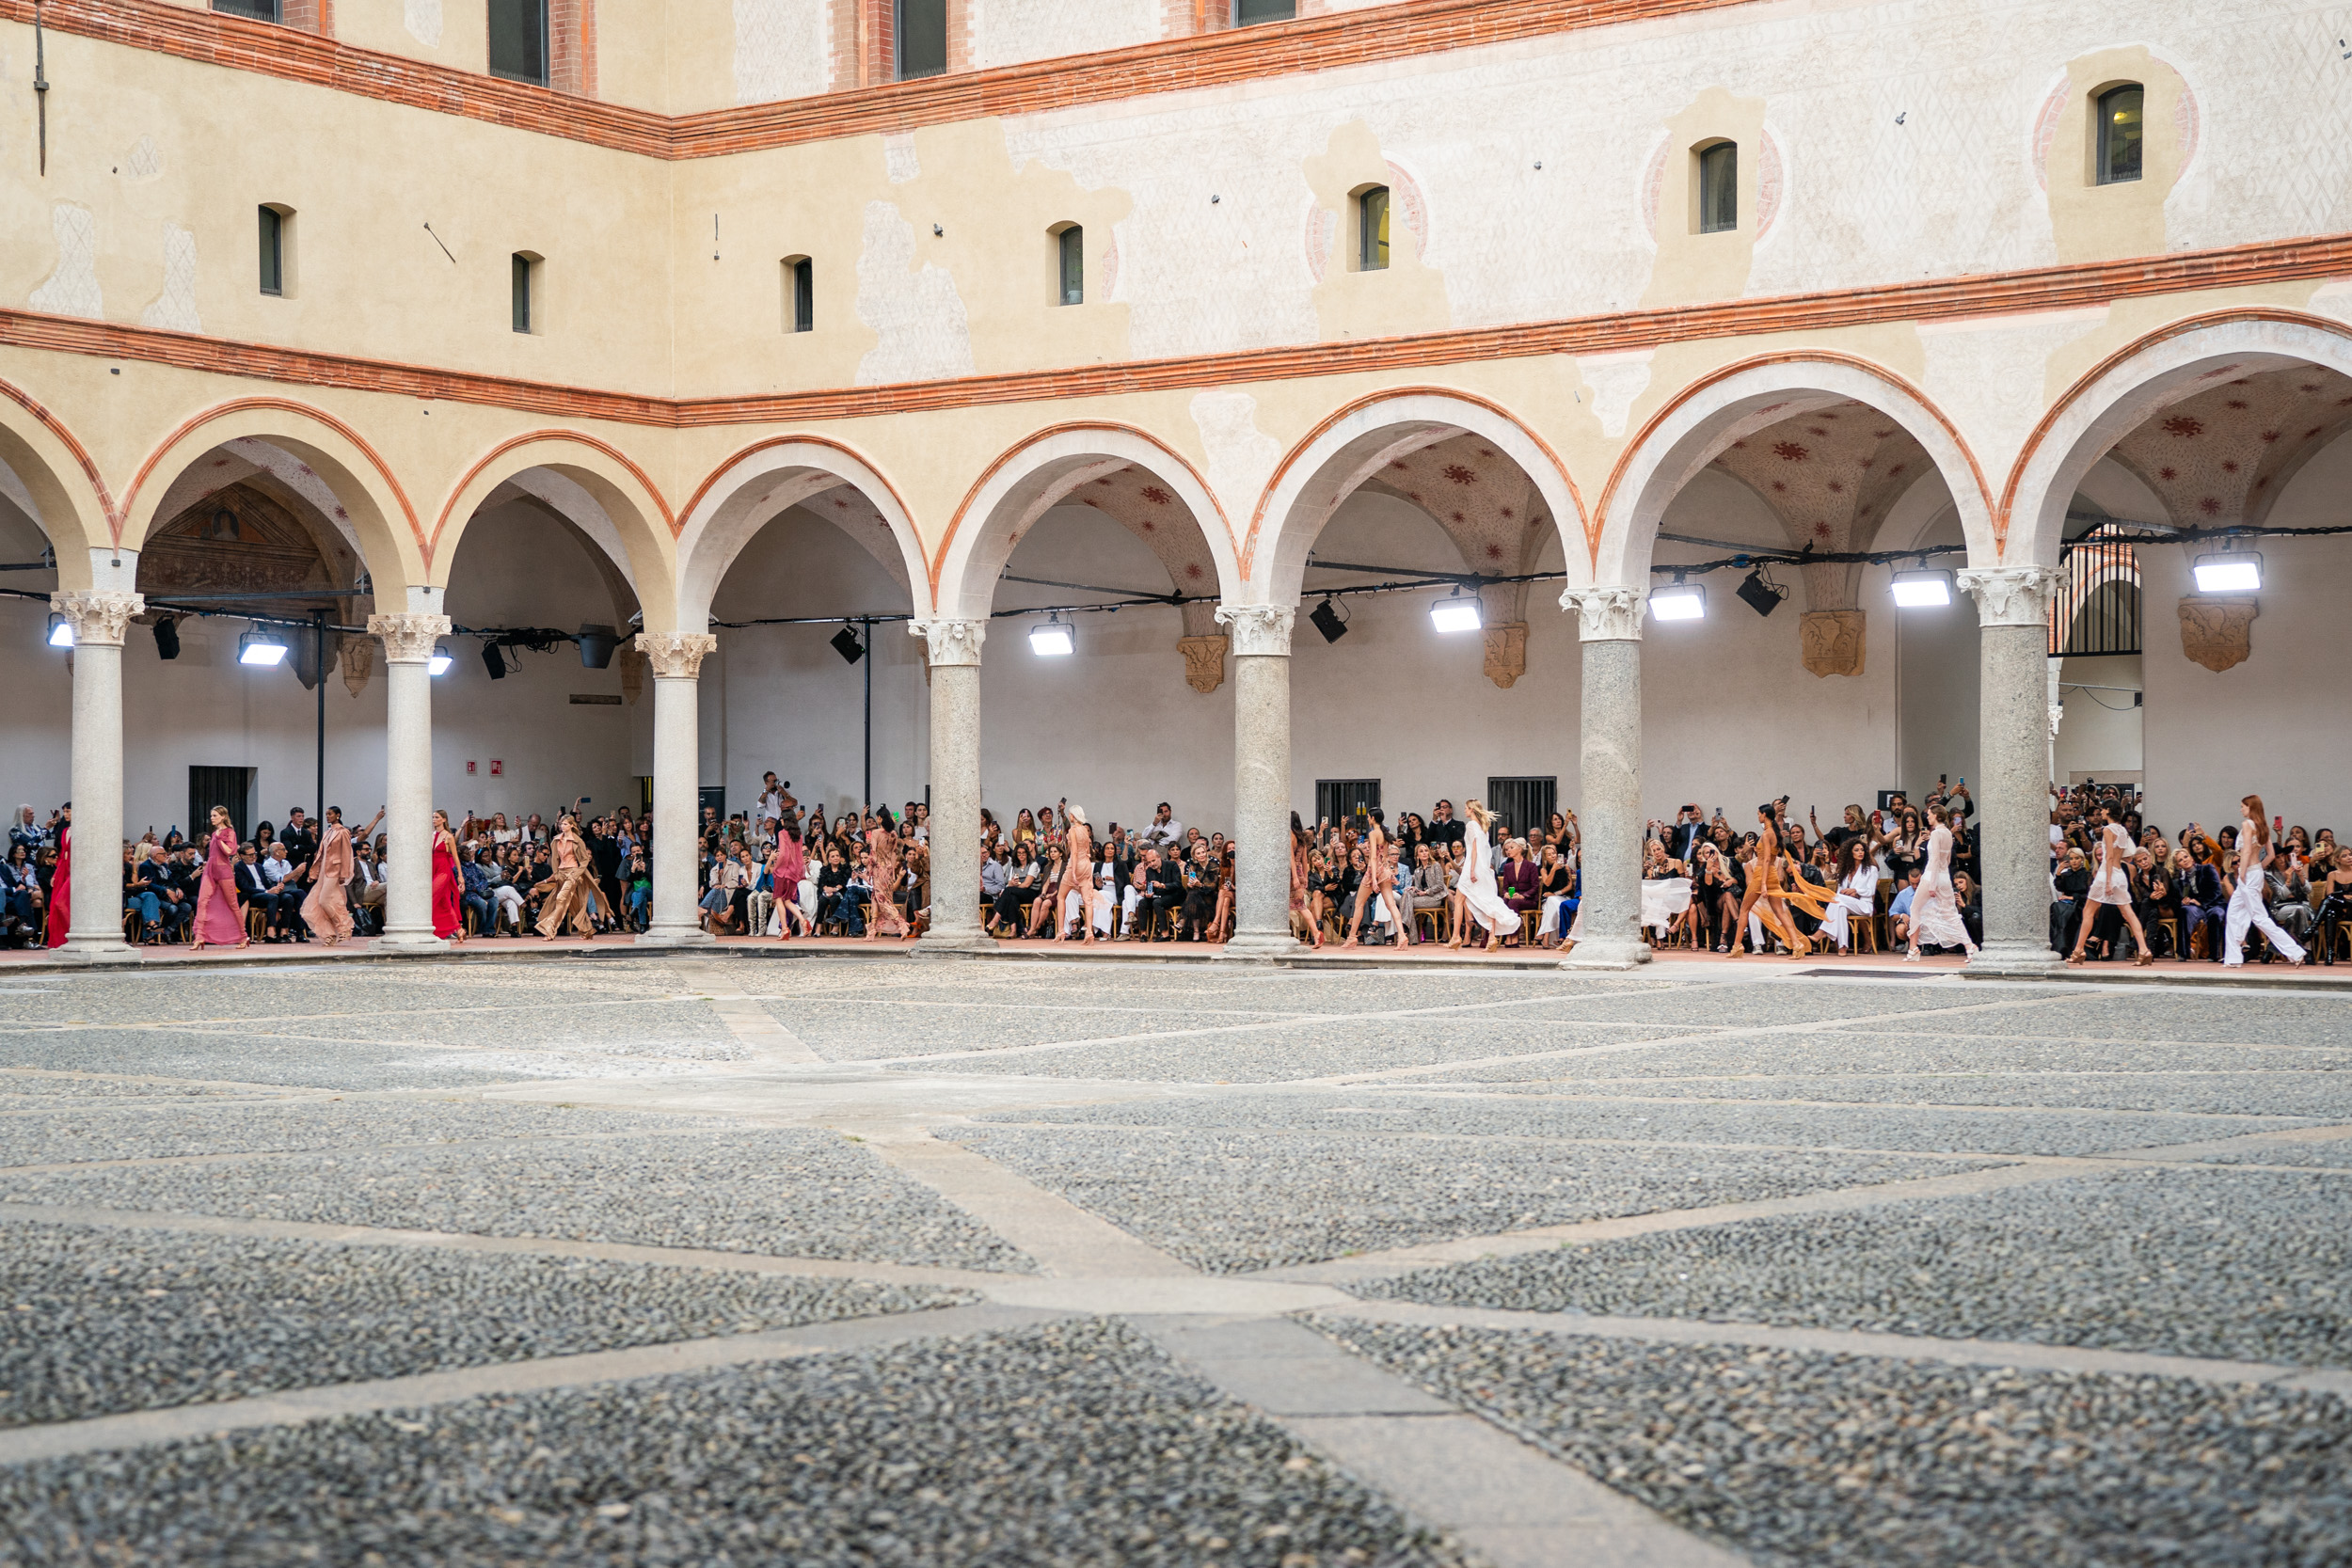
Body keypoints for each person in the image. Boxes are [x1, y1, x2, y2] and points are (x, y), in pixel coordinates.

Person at [2224, 794, 2305, 967]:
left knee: (2259, 918)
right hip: (2255, 872)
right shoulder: (2263, 827)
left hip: (2249, 873)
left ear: (2250, 807)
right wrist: (2257, 868)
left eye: (2243, 806)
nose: (2241, 809)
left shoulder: (2247, 824)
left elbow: (2245, 851)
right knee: (2233, 913)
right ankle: (2233, 958)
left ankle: (2295, 951)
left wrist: (2244, 871)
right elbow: (2271, 855)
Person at [2068, 805, 2154, 967]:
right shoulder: (2122, 830)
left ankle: (2078, 950)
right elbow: (2127, 854)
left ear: (2108, 810)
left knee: (2088, 911)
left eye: (2102, 809)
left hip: (2107, 875)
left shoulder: (2108, 829)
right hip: (2120, 874)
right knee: (2128, 913)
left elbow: (2108, 856)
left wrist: (2108, 881)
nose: (2101, 812)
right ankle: (2144, 950)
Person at [1903, 800, 1978, 962]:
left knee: (1915, 908)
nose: (1927, 817)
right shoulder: (1948, 834)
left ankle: (1913, 948)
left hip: (1933, 875)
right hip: (1944, 876)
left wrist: (1932, 883)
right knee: (1949, 913)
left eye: (1929, 815)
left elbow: (1935, 859)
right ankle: (1969, 945)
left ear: (1936, 816)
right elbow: (1948, 858)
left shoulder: (1937, 833)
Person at [301, 805, 380, 947]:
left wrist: (344, 873)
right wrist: (314, 872)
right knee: (317, 902)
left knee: (324, 900)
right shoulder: (327, 832)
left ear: (338, 815)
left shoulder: (343, 832)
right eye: (326, 814)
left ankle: (342, 926)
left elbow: (346, 853)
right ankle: (330, 934)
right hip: (325, 870)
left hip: (335, 870)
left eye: (330, 814)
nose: (327, 816)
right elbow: (321, 854)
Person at [1449, 799, 1521, 947]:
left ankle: (1456, 936)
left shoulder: (1471, 825)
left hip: (1473, 867)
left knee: (1458, 901)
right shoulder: (1483, 828)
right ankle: (1492, 938)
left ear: (1472, 809)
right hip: (1483, 869)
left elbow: (1474, 849)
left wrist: (1471, 870)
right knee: (1487, 900)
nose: (1464, 810)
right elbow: (1485, 851)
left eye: (1466, 808)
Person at [532, 812, 611, 939]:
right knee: (574, 904)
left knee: (561, 899)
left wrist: (577, 873)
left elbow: (585, 860)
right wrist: (556, 874)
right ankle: (587, 930)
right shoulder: (556, 840)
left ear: (571, 825)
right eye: (561, 824)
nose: (562, 826)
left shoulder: (577, 840)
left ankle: (549, 930)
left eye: (565, 824)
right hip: (561, 874)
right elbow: (554, 859)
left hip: (573, 873)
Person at [187, 804, 248, 952]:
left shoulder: (229, 832)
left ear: (223, 816)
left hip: (224, 871)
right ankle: (199, 936)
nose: (211, 818)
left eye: (214, 815)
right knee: (202, 902)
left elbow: (230, 851)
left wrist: (219, 838)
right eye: (211, 816)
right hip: (210, 870)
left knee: (232, 904)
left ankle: (243, 936)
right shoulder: (215, 833)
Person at [1342, 807, 1395, 948]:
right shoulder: (1385, 834)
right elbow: (1385, 856)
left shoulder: (1373, 833)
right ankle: (1401, 935)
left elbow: (1372, 857)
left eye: (1368, 817)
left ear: (1372, 818)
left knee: (1359, 903)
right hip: (1384, 869)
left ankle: (1352, 937)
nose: (1367, 819)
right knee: (1391, 904)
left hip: (1374, 870)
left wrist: (1374, 878)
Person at [1053, 805, 1098, 944]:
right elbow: (1088, 849)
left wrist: (1072, 872)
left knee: (1061, 896)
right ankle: (1089, 931)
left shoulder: (1073, 830)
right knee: (1088, 900)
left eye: (1070, 814)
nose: (1069, 816)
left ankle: (1061, 930)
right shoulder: (1085, 829)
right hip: (1086, 864)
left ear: (1073, 815)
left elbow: (1075, 852)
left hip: (1076, 864)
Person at [430, 809, 465, 942]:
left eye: (437, 817)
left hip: (444, 870)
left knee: (432, 897)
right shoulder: (431, 835)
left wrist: (460, 876)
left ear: (444, 820)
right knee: (444, 902)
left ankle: (428, 927)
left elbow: (456, 857)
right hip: (432, 869)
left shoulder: (448, 836)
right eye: (433, 817)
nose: (434, 820)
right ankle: (458, 929)